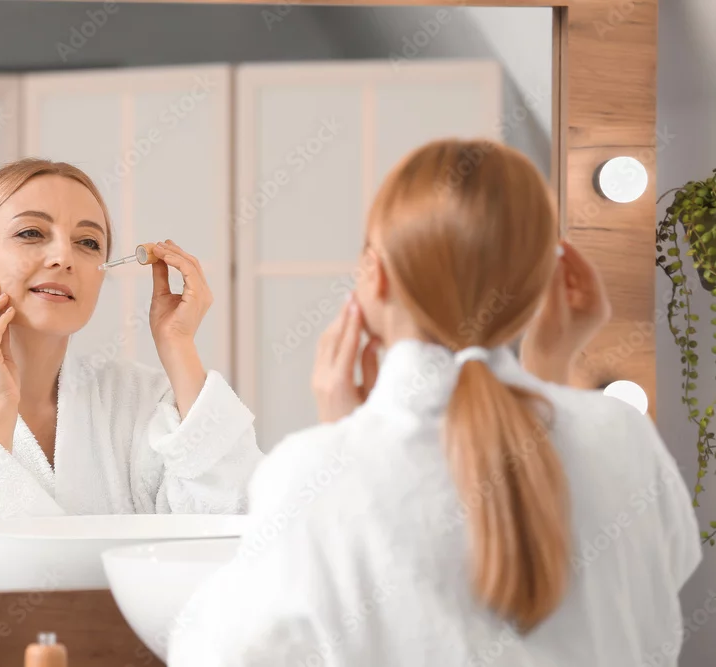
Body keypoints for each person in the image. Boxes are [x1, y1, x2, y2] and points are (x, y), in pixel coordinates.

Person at [167, 139, 702, 667]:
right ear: (545, 280)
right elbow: (642, 590)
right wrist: (550, 374)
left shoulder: (310, 473)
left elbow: (213, 655)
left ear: (375, 275)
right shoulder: (622, 435)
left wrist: (342, 444)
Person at [0, 158, 262, 592]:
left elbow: (239, 539)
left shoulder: (141, 400)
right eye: (31, 233)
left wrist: (179, 346)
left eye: (88, 243)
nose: (63, 258)